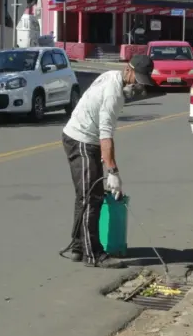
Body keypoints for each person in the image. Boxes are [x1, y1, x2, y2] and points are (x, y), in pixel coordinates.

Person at [62, 55, 155, 268]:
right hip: (82, 139)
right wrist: (112, 171)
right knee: (91, 197)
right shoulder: (114, 94)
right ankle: (93, 253)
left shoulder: (112, 77)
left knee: (84, 195)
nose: (138, 85)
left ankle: (78, 246)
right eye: (136, 79)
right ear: (128, 70)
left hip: (82, 137)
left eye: (142, 81)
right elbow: (106, 135)